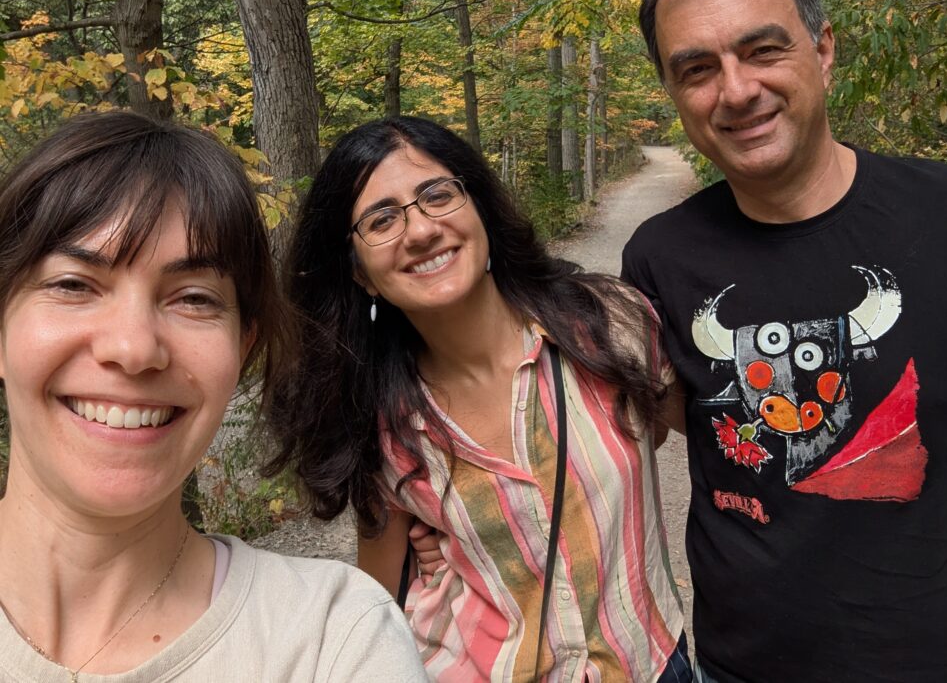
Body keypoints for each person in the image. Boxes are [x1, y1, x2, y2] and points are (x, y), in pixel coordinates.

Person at [621, 0, 947, 683]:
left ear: (823, 48)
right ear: (674, 92)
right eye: (697, 69)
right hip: (747, 668)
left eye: (763, 50)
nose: (736, 90)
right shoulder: (658, 258)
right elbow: (632, 435)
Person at [0, 111, 424, 682]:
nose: (133, 348)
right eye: (73, 284)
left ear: (242, 350)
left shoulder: (334, 639)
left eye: (194, 299)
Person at [263, 116, 691, 682]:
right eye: (381, 219)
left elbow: (669, 434)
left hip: (652, 663)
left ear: (479, 207)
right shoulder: (374, 421)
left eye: (437, 194)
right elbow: (377, 603)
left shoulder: (607, 325)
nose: (419, 231)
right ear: (360, 275)